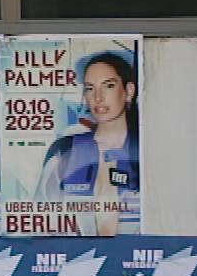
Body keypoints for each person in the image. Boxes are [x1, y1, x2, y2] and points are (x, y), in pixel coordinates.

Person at [36, 52, 140, 236]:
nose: (98, 97)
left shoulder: (146, 151)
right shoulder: (65, 152)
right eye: (90, 88)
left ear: (128, 91)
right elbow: (40, 225)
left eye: (108, 86)